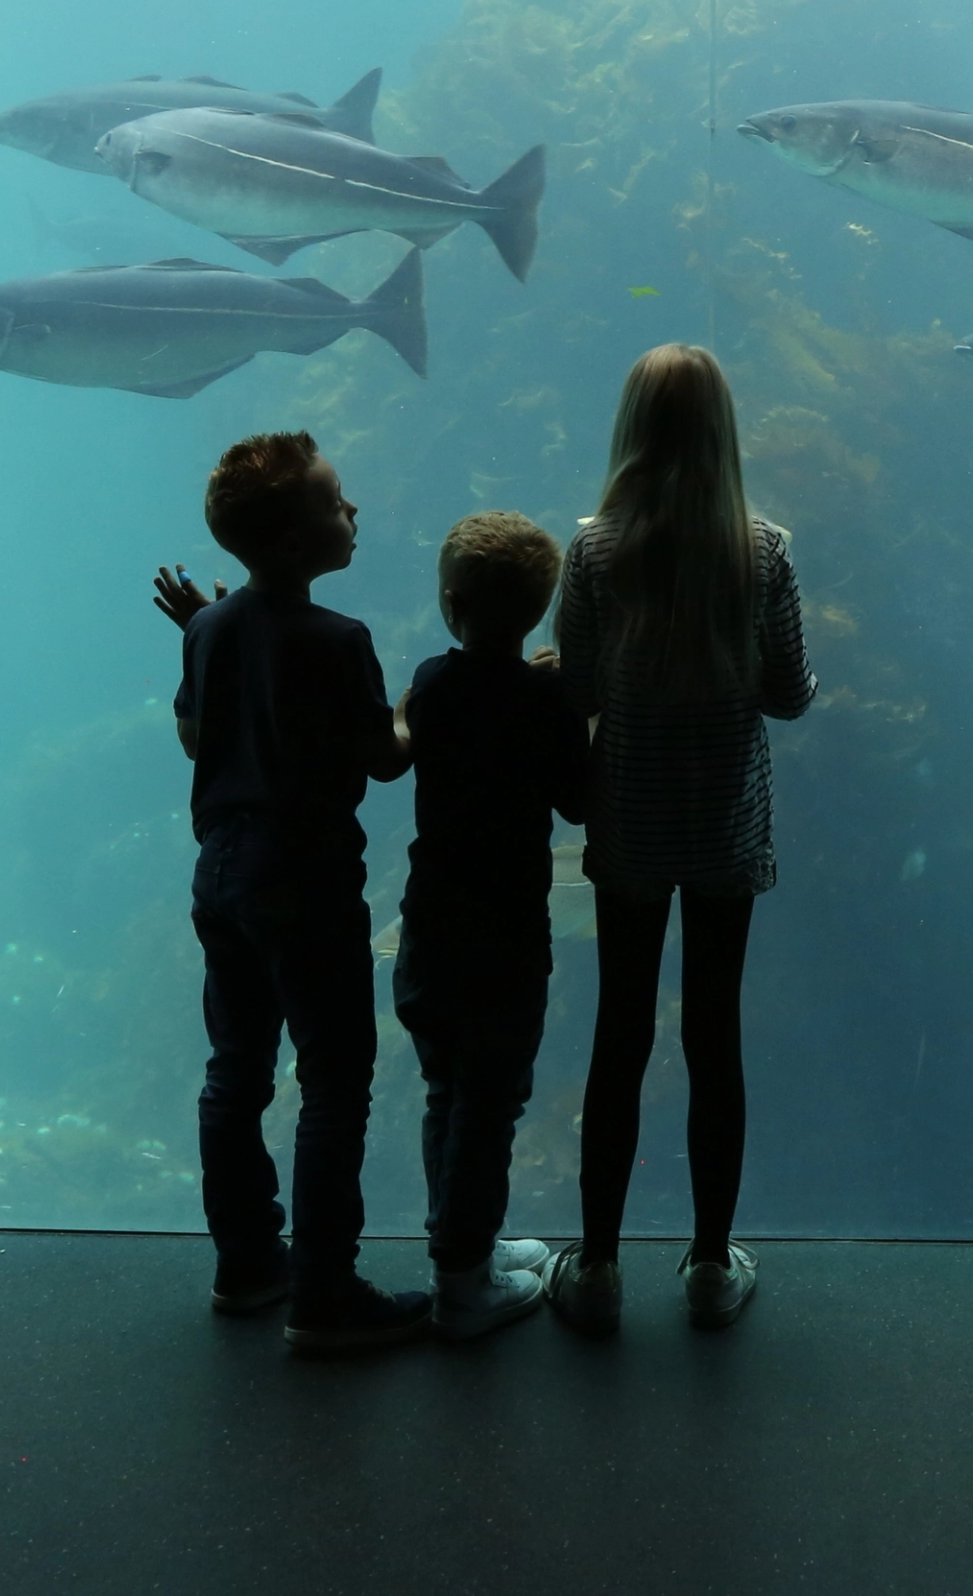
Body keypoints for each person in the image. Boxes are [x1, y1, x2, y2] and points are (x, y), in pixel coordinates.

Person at [542, 345, 816, 1334]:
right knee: (713, 1034)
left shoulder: (594, 551)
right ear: (722, 434)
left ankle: (602, 1265)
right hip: (724, 827)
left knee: (619, 1033)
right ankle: (707, 1263)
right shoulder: (763, 550)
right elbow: (787, 696)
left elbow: (572, 693)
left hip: (629, 820)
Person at [151, 430, 427, 1354]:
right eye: (334, 499)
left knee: (236, 1071)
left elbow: (197, 742)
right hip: (306, 882)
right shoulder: (339, 639)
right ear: (292, 544)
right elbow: (385, 762)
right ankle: (325, 1291)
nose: (353, 510)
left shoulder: (208, 627)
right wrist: (423, 704)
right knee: (334, 1081)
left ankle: (247, 1264)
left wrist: (211, 634)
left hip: (221, 874)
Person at [392, 511, 590, 1340]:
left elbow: (422, 730)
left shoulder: (432, 685)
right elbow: (579, 803)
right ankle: (464, 1283)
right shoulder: (545, 697)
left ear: (450, 601)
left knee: (448, 1093)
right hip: (506, 936)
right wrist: (575, 705)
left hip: (430, 929)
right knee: (491, 1101)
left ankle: (459, 1250)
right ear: (540, 612)